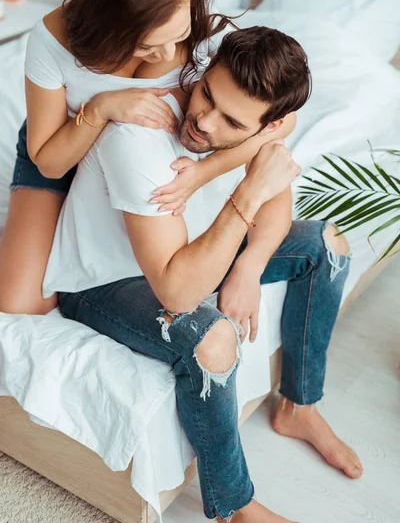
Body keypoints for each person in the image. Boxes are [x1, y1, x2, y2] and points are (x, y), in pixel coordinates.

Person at [44, 26, 363, 523]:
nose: (204, 121)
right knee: (211, 339)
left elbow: (277, 202)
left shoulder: (262, 121)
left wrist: (249, 268)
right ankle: (234, 506)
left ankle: (297, 408)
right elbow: (177, 291)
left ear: (270, 125)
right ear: (206, 69)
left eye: (231, 121)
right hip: (105, 281)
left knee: (328, 246)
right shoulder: (139, 136)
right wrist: (246, 193)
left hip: (194, 254)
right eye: (206, 94)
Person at [0, 0, 273, 314]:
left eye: (176, 37)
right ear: (107, 24)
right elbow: (48, 161)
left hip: (131, 162)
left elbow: (282, 122)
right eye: (146, 45)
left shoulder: (201, 32)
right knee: (20, 307)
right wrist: (100, 109)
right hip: (63, 144)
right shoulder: (52, 42)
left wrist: (203, 172)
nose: (165, 56)